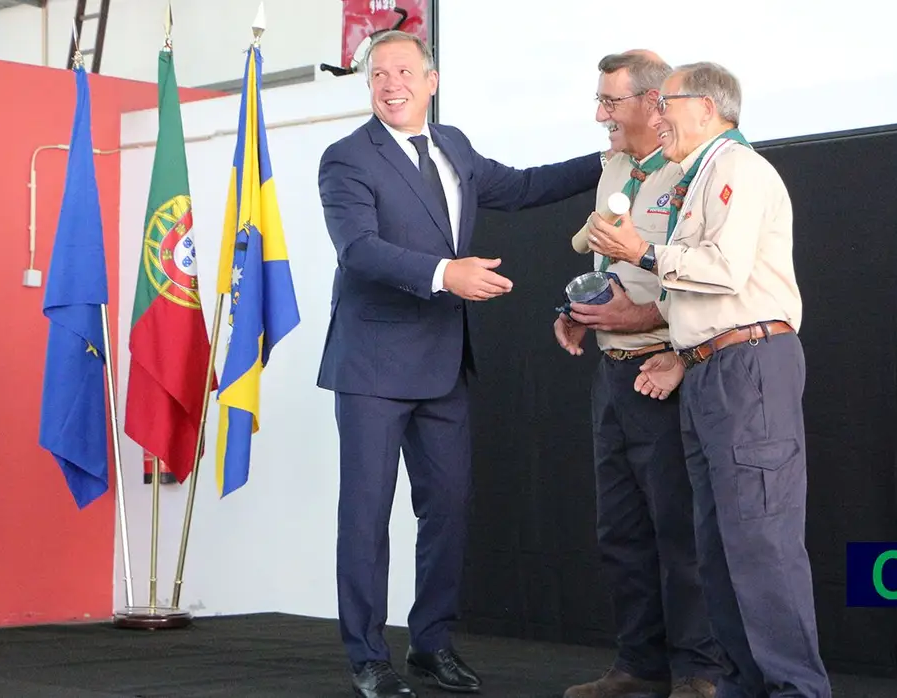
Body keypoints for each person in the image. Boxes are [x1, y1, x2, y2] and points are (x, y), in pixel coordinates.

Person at [317, 30, 606, 698]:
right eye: (378, 74)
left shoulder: (453, 147)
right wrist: (448, 273)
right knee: (365, 517)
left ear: (431, 81)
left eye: (403, 71)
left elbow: (527, 186)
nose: (390, 83)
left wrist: (610, 157)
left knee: (447, 509)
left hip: (443, 365)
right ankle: (367, 656)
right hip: (373, 368)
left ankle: (431, 643)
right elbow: (358, 250)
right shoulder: (346, 159)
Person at [585, 61, 832, 698]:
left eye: (665, 103)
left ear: (707, 107)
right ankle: (745, 686)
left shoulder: (737, 170)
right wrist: (681, 351)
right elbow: (694, 294)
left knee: (761, 544)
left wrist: (640, 251)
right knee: (720, 548)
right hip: (710, 370)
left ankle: (796, 691)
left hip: (748, 368)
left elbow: (723, 271)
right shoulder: (699, 175)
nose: (656, 115)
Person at [554, 50, 726, 698]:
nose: (600, 114)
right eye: (600, 100)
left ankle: (698, 671)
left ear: (656, 104)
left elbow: (716, 276)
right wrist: (578, 313)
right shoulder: (615, 169)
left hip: (664, 370)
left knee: (678, 532)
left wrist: (654, 327)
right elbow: (603, 262)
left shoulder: (695, 173)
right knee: (620, 532)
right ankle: (638, 666)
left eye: (610, 102)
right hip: (612, 374)